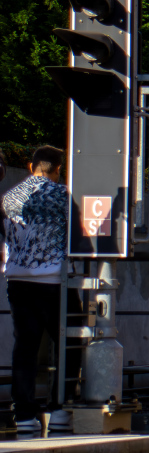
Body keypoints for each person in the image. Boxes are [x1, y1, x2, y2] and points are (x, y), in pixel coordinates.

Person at [3, 146, 79, 436]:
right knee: (69, 343)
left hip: (18, 281)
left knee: (25, 348)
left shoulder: (9, 197)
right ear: (58, 169)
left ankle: (24, 416)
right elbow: (78, 235)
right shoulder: (63, 195)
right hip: (55, 281)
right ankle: (59, 409)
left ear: (29, 165)